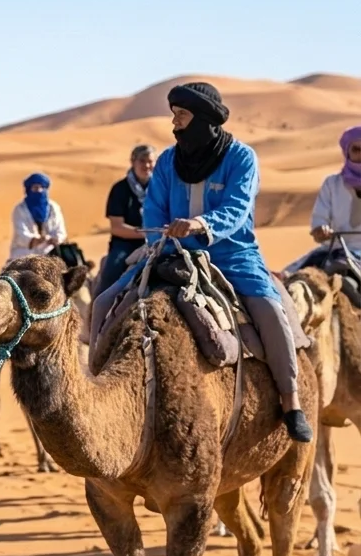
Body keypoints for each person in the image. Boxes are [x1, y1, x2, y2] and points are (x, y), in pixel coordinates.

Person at [88, 82, 312, 443]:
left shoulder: (241, 158)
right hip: (170, 252)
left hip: (232, 254)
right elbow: (154, 207)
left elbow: (237, 209)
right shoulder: (166, 161)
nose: (174, 124)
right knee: (102, 303)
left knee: (270, 309)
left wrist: (201, 224)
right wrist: (157, 242)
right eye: (174, 115)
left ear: (204, 118)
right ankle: (97, 393)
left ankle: (291, 400)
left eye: (182, 115)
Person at [283, 125, 361, 274]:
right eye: (356, 150)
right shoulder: (332, 183)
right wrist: (321, 230)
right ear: (347, 152)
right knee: (287, 279)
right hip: (334, 249)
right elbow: (320, 218)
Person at [95, 144, 157, 295]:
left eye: (150, 161)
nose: (147, 165)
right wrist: (147, 233)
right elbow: (117, 227)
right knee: (112, 272)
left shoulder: (160, 188)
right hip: (125, 244)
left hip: (157, 241)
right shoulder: (120, 189)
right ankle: (101, 313)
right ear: (133, 162)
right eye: (142, 161)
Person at [9, 172, 68, 260]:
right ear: (29, 190)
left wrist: (56, 239)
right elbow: (21, 233)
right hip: (23, 253)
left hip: (51, 252)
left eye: (42, 187)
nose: (39, 191)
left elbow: (60, 230)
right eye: (35, 188)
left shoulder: (53, 208)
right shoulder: (20, 209)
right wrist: (35, 240)